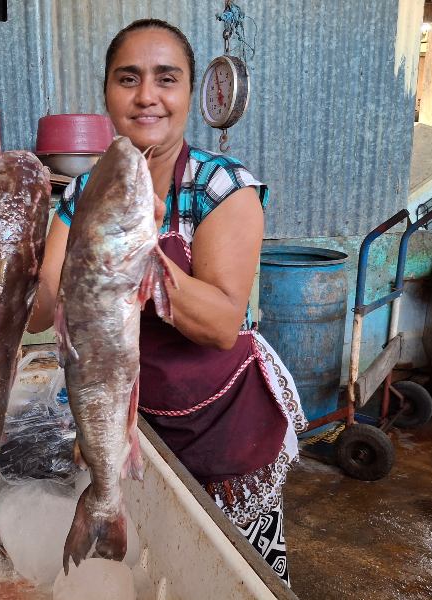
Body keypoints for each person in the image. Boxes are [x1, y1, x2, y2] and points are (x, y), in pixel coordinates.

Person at [27, 18, 307, 585]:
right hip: (136, 418)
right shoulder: (83, 192)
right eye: (128, 78)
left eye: (166, 78)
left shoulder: (222, 186)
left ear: (190, 93)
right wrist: (2, 264)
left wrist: (140, 249)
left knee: (228, 575)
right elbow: (40, 312)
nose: (146, 96)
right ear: (107, 91)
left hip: (223, 424)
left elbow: (221, 324)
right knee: (156, 569)